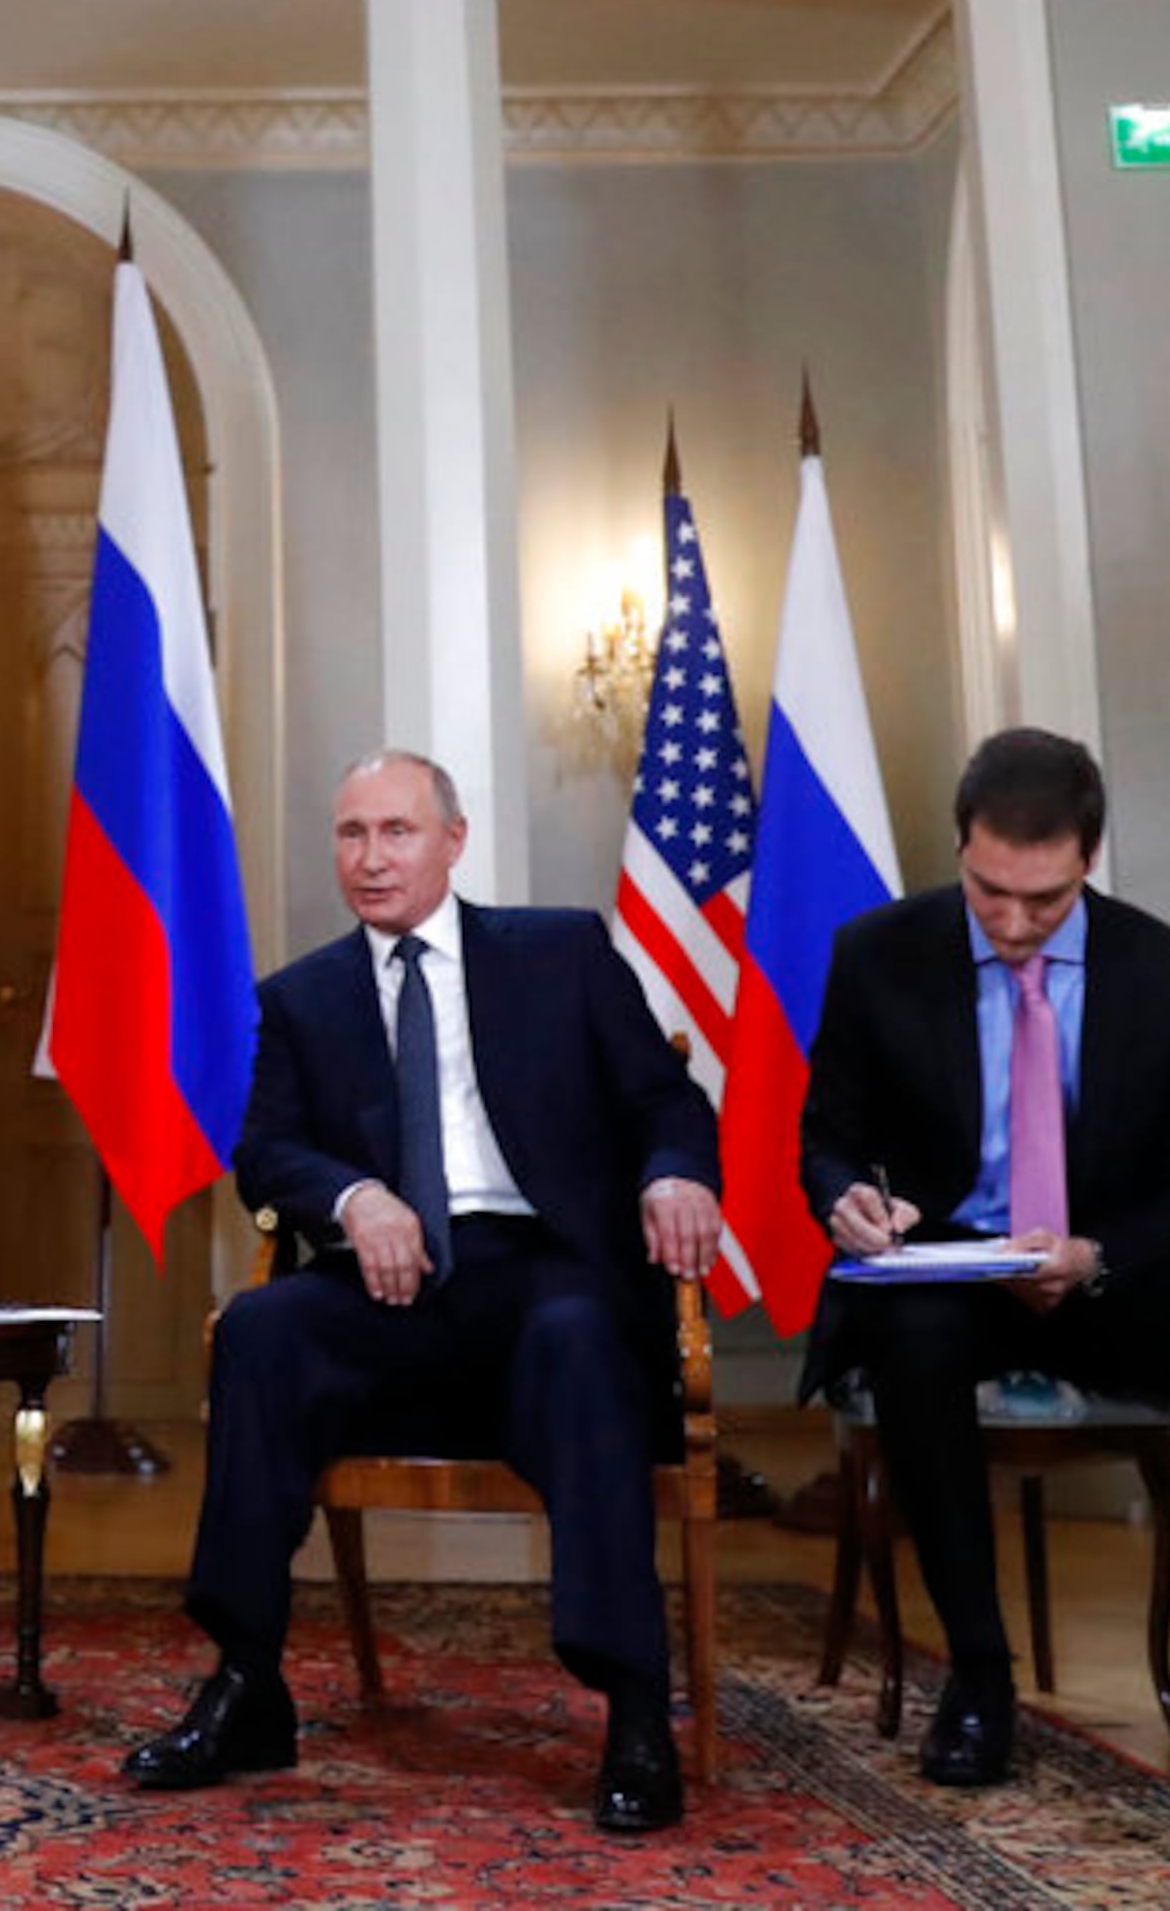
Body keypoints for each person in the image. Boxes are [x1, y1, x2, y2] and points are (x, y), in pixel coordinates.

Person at [124, 750, 727, 1836]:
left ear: (453, 840)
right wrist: (355, 1196)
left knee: (582, 1340)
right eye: (352, 834)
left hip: (544, 1276)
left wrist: (676, 1170)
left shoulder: (558, 953)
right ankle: (247, 1681)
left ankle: (634, 1711)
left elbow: (665, 1100)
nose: (372, 857)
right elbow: (265, 1155)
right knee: (258, 1329)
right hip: (391, 1289)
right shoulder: (302, 997)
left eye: (397, 831)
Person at [798, 726, 1170, 1806]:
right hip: (946, 1277)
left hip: (1101, 1274)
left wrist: (1095, 1255)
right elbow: (826, 1136)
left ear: (1091, 858)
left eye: (1046, 901)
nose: (1014, 925)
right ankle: (978, 1674)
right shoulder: (877, 951)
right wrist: (850, 1198)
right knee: (915, 1339)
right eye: (989, 893)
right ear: (961, 848)